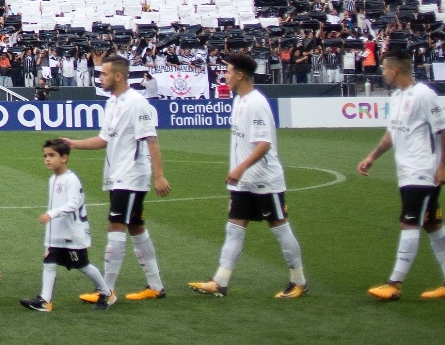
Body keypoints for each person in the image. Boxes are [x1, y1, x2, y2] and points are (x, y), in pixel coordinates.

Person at [187, 52, 306, 298]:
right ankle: (220, 282)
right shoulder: (239, 100)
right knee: (234, 228)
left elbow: (264, 144)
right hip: (244, 183)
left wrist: (240, 168)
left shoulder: (256, 102)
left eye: (228, 71)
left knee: (279, 228)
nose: (225, 75)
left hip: (265, 180)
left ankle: (299, 281)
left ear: (240, 75)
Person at [358, 47, 445, 300]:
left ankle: (394, 283)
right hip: (407, 172)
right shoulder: (396, 97)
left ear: (395, 69)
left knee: (409, 221)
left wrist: (443, 166)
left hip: (423, 172)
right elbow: (393, 133)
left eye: (384, 69)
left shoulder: (423, 94)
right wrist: (372, 156)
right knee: (432, 224)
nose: (382, 73)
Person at [66, 55, 169, 303]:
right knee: (136, 227)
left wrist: (160, 176)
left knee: (115, 225)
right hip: (118, 175)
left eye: (104, 74)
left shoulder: (137, 103)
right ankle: (155, 286)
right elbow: (104, 139)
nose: (100, 78)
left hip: (131, 176)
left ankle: (106, 289)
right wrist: (72, 144)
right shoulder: (112, 102)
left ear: (119, 76)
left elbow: (151, 139)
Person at [19, 138, 113, 312]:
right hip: (55, 233)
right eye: (45, 156)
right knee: (49, 262)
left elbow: (73, 204)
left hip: (72, 233)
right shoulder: (53, 179)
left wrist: (51, 214)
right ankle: (45, 301)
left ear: (64, 158)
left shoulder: (71, 180)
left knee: (82, 265)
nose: (47, 159)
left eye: (52, 155)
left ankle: (106, 293)